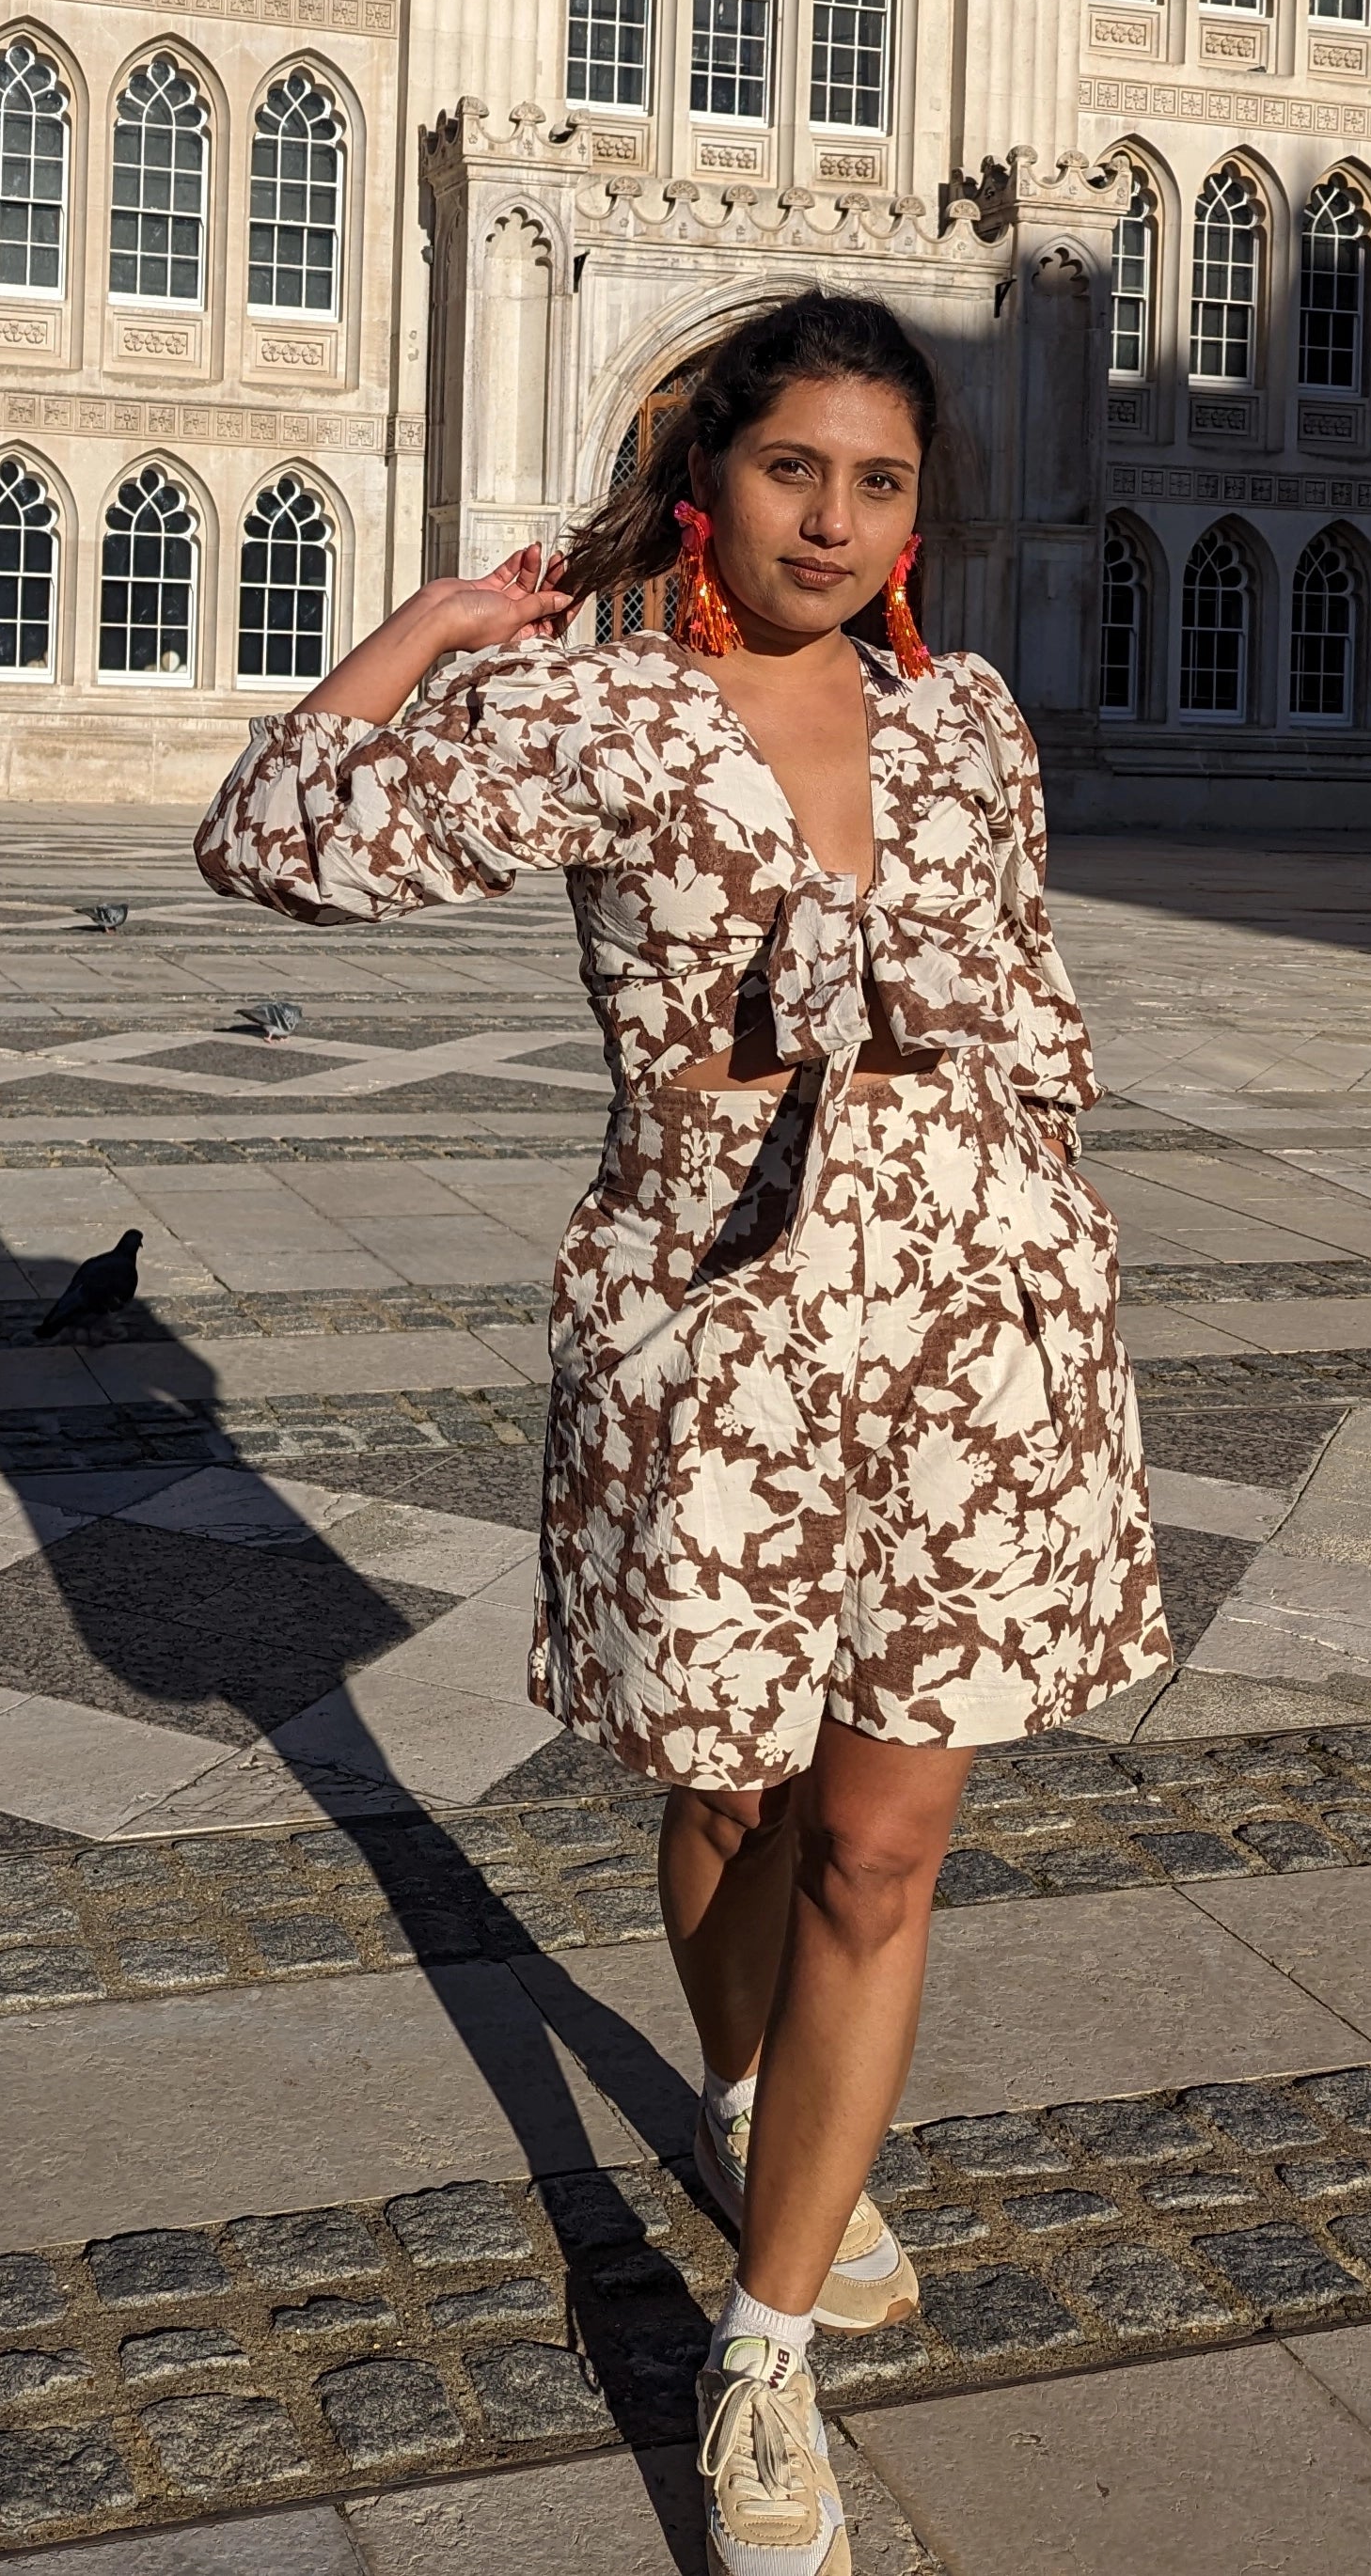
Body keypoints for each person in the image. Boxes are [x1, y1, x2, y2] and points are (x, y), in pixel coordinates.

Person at [195, 290, 1170, 2576]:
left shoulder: (974, 726)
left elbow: (1016, 997)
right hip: (718, 1330)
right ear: (709, 478)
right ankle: (748, 2100)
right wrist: (435, 622)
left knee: (884, 1842)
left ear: (923, 514)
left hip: (972, 1318)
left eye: (883, 481)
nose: (837, 520)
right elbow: (272, 837)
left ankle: (766, 2346)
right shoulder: (597, 713)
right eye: (795, 471)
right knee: (732, 1795)